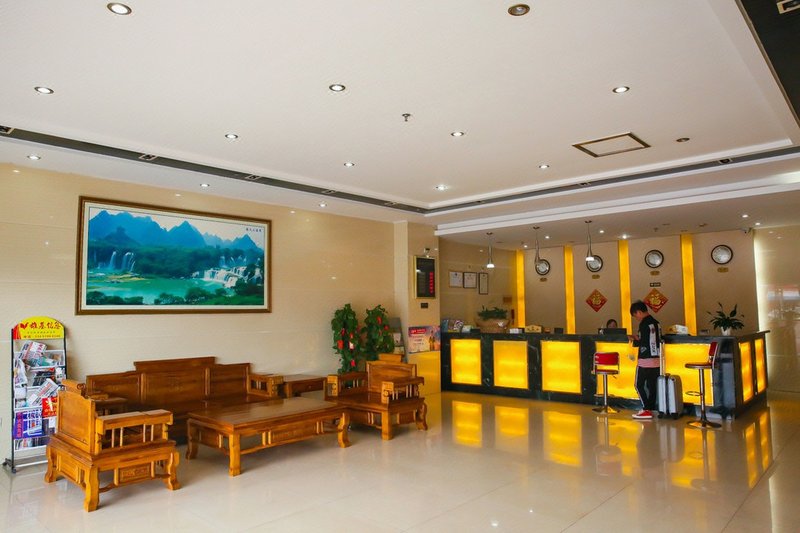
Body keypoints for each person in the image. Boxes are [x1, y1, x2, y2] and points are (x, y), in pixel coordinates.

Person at [629, 300, 661, 420]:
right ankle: (651, 409)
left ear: (639, 312)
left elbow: (643, 342)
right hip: (657, 360)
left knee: (638, 385)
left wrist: (634, 340)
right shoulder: (656, 323)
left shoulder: (643, 324)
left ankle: (646, 409)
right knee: (652, 386)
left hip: (645, 360)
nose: (636, 318)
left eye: (635, 315)